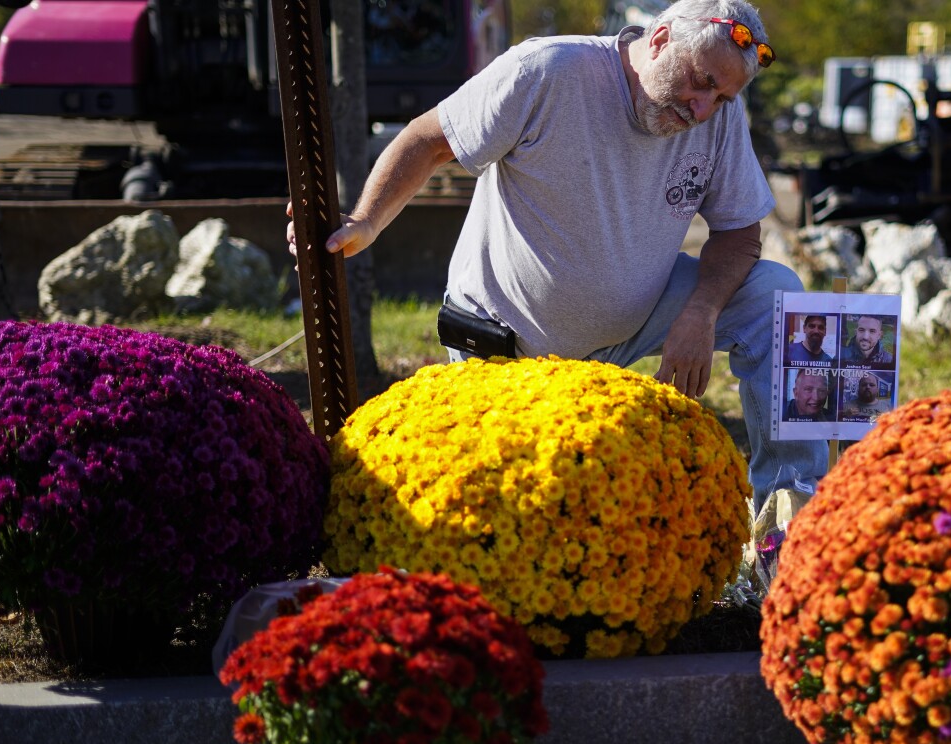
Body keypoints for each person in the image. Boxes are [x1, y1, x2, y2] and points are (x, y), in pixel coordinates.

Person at [287, 0, 825, 512]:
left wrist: (702, 311)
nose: (702, 107)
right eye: (702, 82)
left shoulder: (716, 118)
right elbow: (429, 139)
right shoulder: (549, 70)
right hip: (503, 341)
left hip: (630, 326)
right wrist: (366, 221)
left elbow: (739, 232)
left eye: (722, 98)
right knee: (520, 508)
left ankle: (793, 517)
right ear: (660, 40)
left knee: (777, 298)